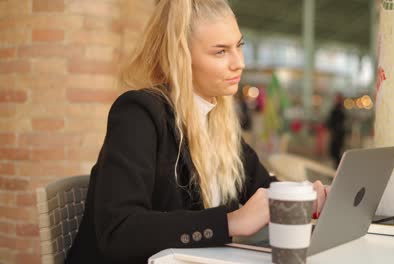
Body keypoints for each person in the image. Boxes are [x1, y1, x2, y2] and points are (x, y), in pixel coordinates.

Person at [65, 1, 328, 263]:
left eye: (239, 46)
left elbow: (261, 190)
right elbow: (119, 232)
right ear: (180, 55)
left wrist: (305, 196)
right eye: (220, 52)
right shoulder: (139, 113)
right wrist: (231, 222)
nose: (239, 64)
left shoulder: (219, 120)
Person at [326, 93, 346, 168]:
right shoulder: (340, 109)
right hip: (337, 134)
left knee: (336, 152)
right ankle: (336, 168)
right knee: (336, 153)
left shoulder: (338, 110)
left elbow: (330, 122)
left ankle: (337, 168)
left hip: (338, 134)